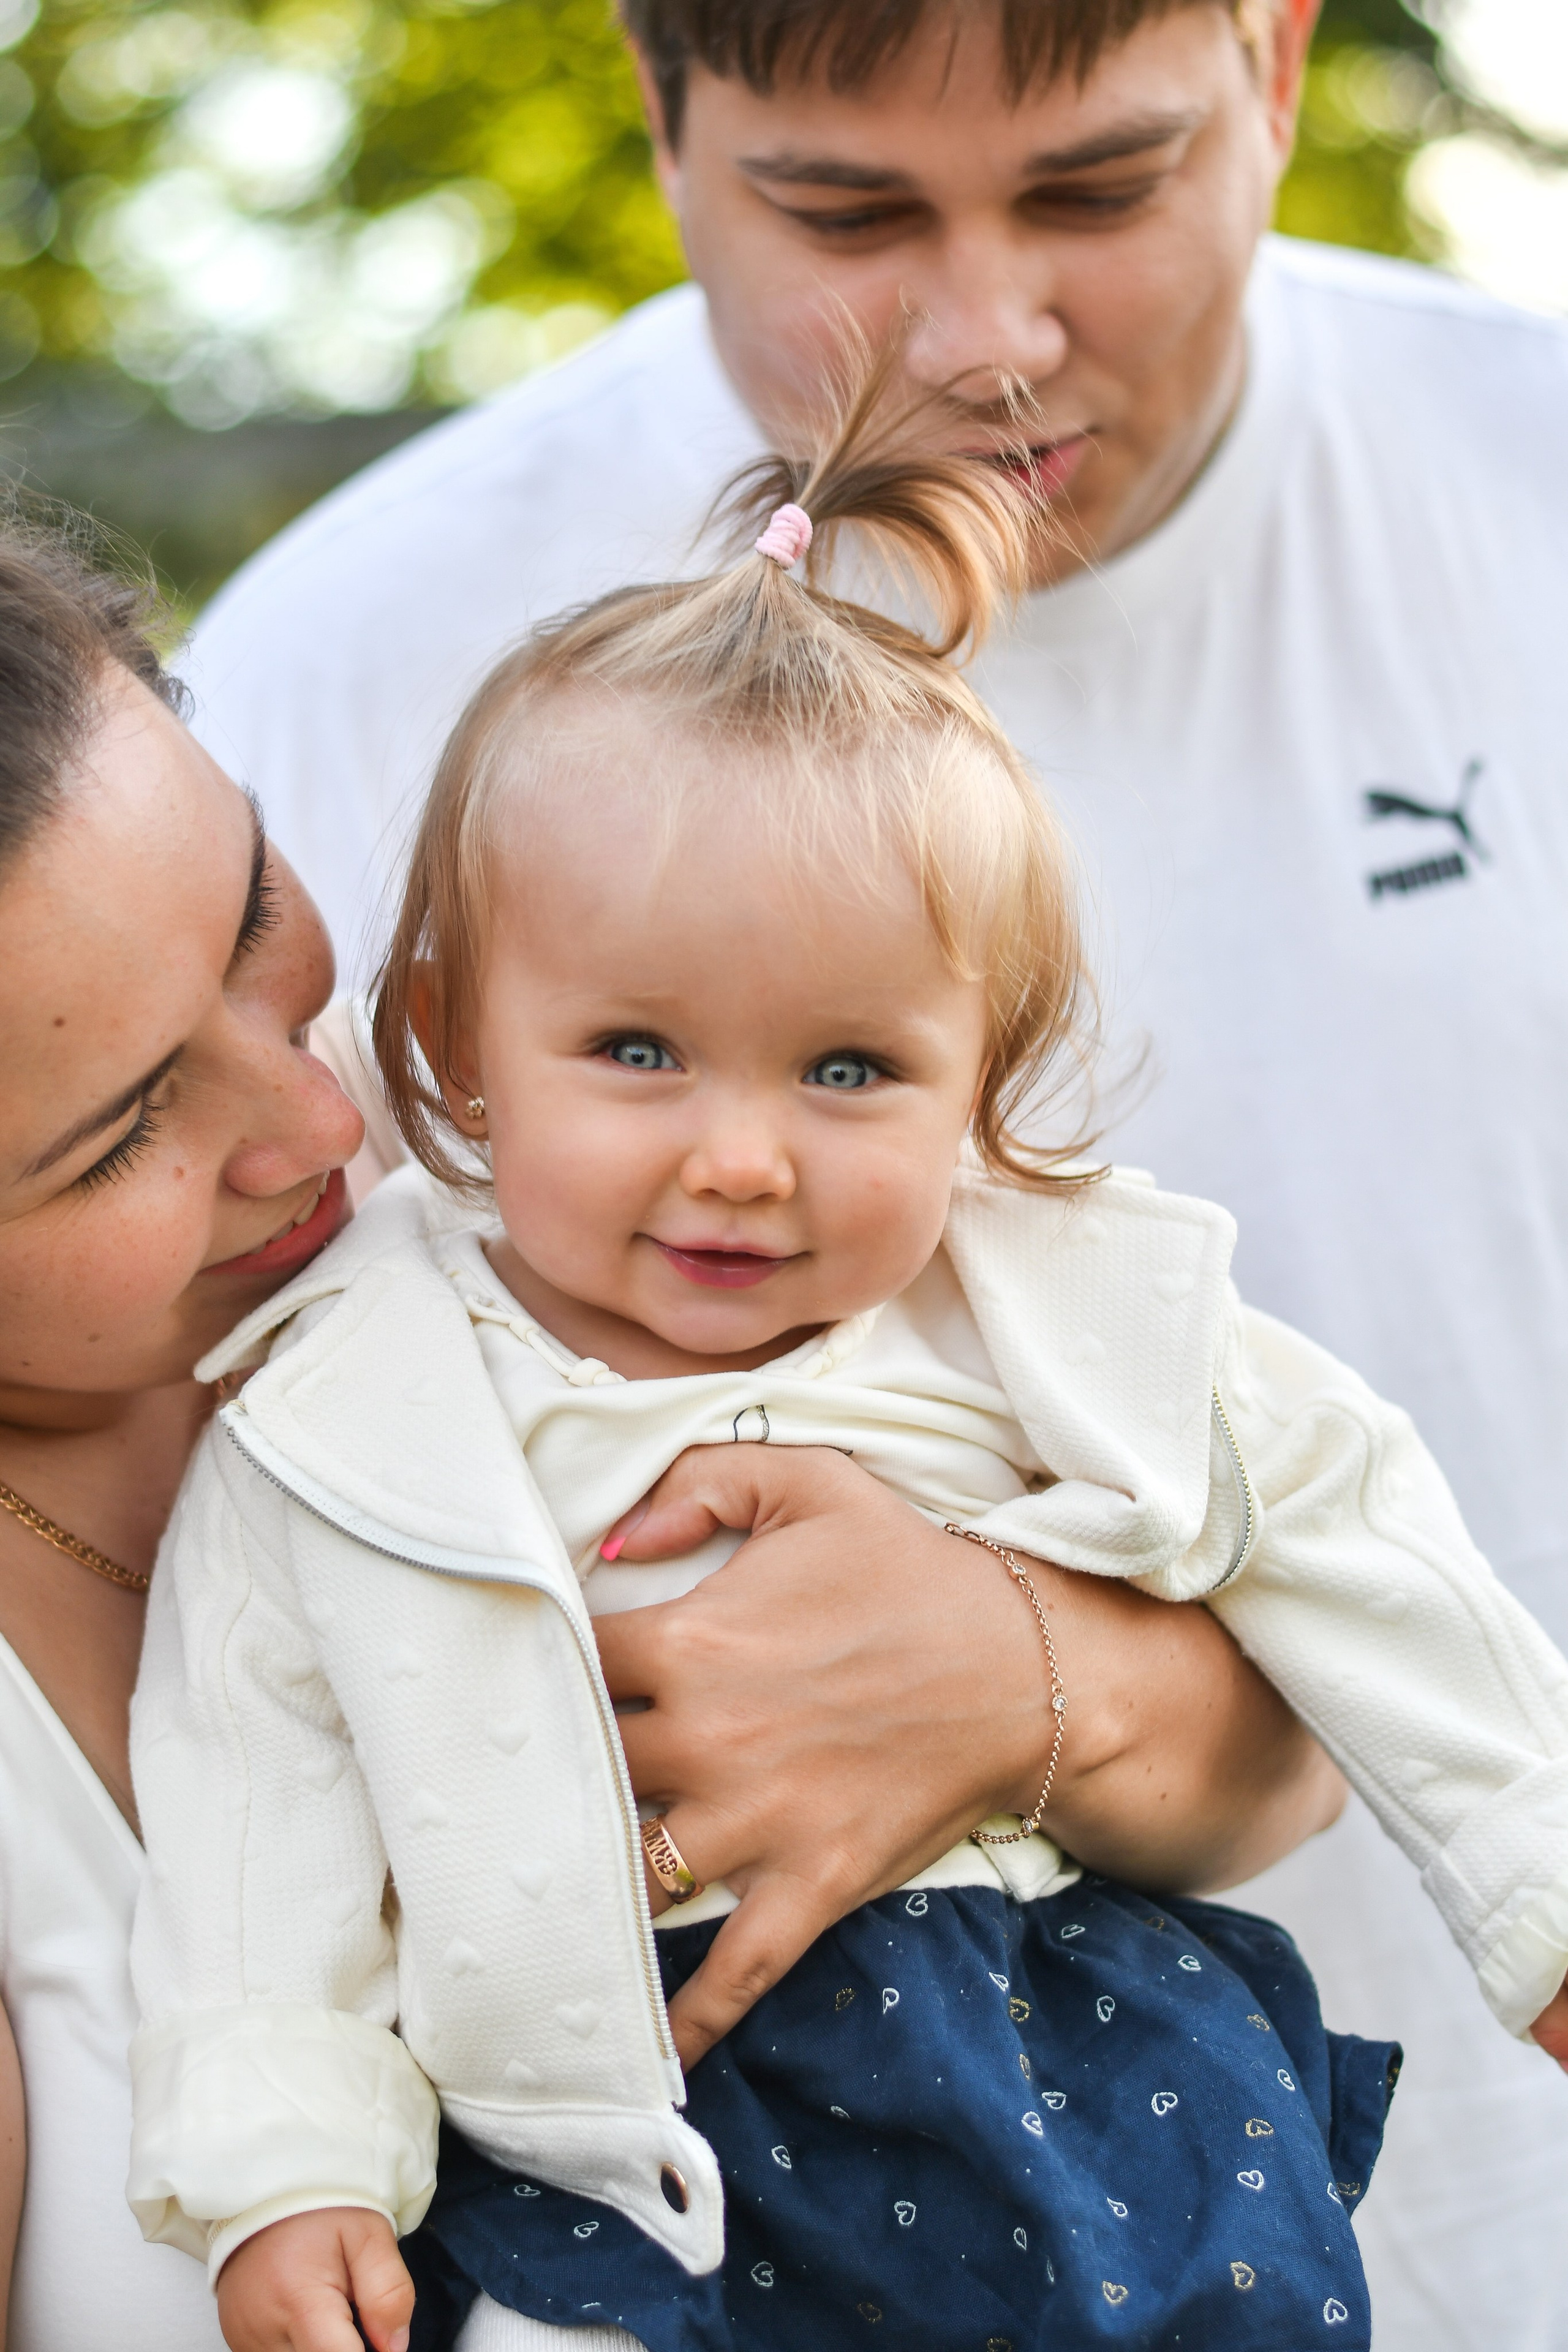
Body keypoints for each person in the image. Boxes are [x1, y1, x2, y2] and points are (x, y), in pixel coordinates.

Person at [182, 1, 1568, 2337]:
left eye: (1100, 190)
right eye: (845, 210)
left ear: (1279, 67)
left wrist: (1043, 1676)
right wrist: (270, 2145)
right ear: (661, 110)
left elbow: (1324, 1492)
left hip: (1361, 2187)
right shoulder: (337, 664)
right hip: (614, 2218)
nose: (989, 335)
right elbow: (227, 1632)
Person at [0, 514, 1327, 2351]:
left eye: (245, 920)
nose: (320, 1114)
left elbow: (1291, 1757)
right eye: (125, 1124)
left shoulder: (572, 1207)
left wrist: (1021, 1673)